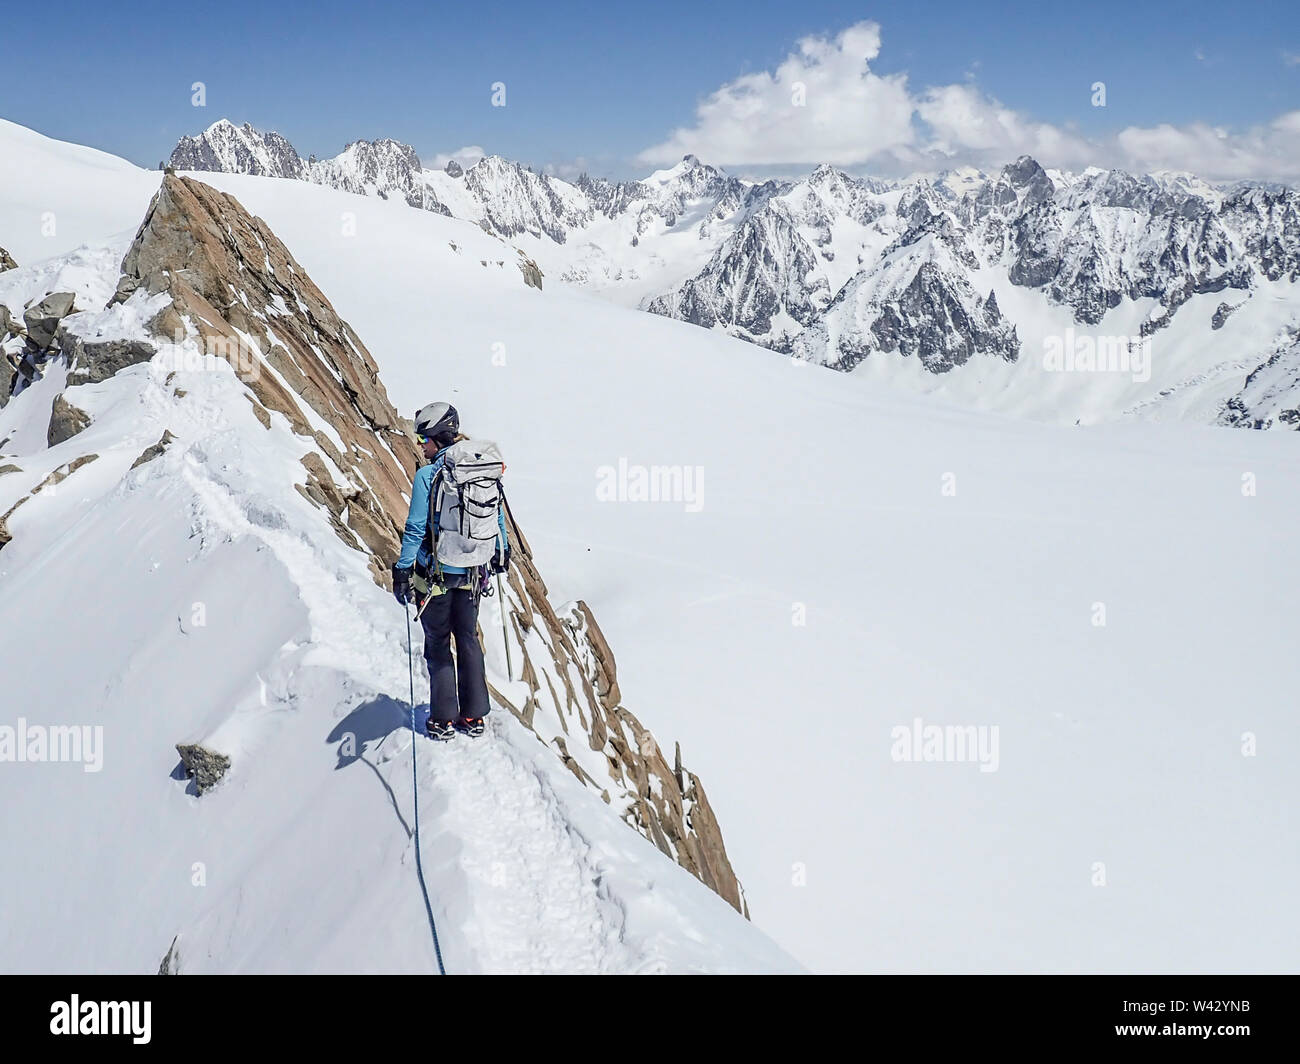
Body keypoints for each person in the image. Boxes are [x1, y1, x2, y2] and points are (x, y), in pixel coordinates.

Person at [392, 402, 509, 741]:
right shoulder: (481, 467)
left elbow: (415, 528)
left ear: (437, 437)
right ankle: (473, 717)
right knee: (469, 639)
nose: (420, 445)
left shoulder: (429, 475)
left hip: (436, 576)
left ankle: (443, 719)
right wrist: (499, 551)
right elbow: (496, 514)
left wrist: (403, 570)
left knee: (439, 642)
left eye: (423, 438)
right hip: (474, 572)